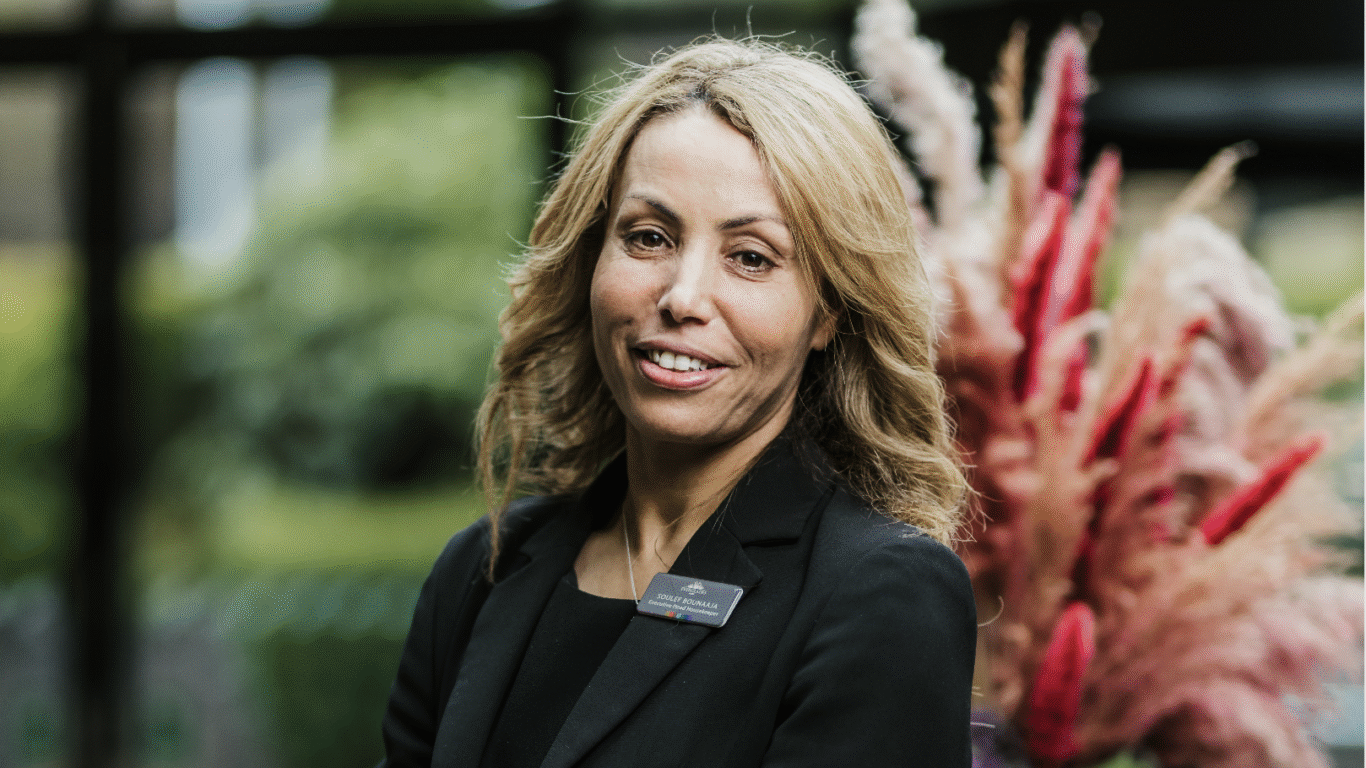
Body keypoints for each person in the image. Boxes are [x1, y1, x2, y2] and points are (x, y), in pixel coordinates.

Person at [379, 38, 976, 768]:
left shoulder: (882, 595)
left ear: (827, 314)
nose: (683, 297)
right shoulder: (485, 566)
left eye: (751, 257)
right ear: (592, 256)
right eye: (649, 237)